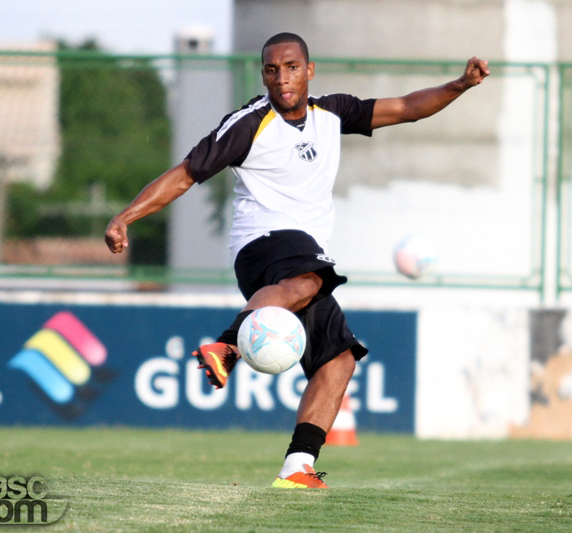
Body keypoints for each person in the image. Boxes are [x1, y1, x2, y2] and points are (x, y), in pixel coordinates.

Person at [105, 32, 489, 489]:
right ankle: (227, 345)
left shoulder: (332, 113)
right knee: (310, 278)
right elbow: (187, 173)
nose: (281, 78)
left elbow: (406, 108)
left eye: (290, 67)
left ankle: (296, 467)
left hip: (302, 258)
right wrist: (126, 216)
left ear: (309, 70)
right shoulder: (248, 124)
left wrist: (459, 86)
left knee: (340, 360)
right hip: (261, 244)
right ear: (263, 74)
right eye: (271, 69)